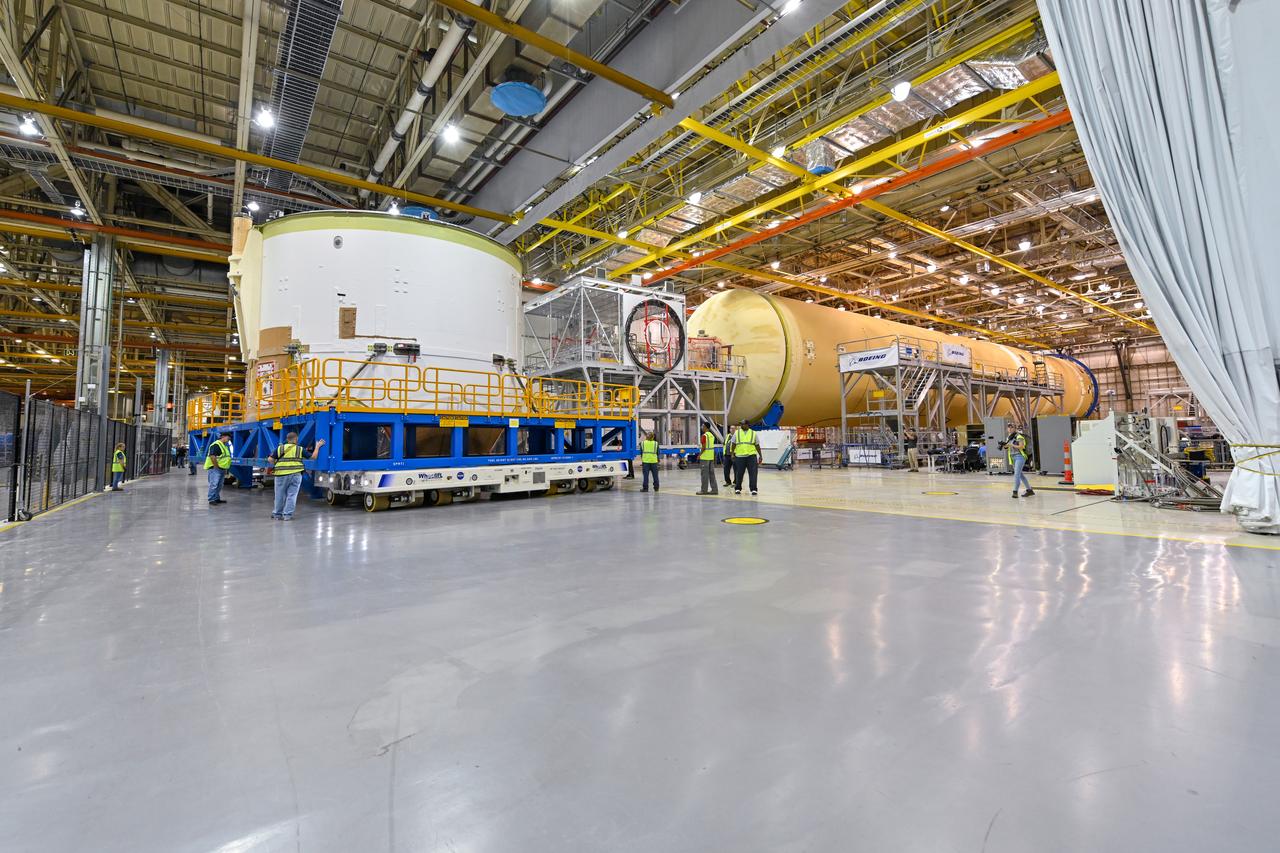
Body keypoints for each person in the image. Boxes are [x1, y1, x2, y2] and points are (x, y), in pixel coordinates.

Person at [268, 432, 325, 521]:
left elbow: (270, 459)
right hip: (296, 475)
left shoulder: (280, 448)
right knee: (292, 495)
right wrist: (317, 446)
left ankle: (277, 515)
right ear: (296, 439)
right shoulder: (299, 449)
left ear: (287, 439)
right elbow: (313, 457)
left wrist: (278, 464)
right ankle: (287, 515)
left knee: (279, 494)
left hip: (281, 475)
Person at [731, 420, 763, 495]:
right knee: (739, 473)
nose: (741, 425)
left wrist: (760, 455)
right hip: (739, 456)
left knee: (753, 473)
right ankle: (738, 488)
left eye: (743, 424)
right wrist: (732, 454)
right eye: (741, 424)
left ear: (747, 425)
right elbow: (733, 444)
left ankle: (753, 489)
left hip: (751, 456)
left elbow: (757, 445)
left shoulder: (753, 433)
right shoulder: (737, 433)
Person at [1005, 423, 1034, 498]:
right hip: (1013, 457)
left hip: (1020, 456)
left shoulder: (1019, 436)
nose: (1010, 429)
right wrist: (1004, 446)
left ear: (1015, 428)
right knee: (1020, 475)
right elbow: (1008, 447)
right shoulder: (1008, 437)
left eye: (1012, 427)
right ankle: (1029, 490)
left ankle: (1015, 492)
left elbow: (1021, 446)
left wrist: (1011, 445)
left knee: (1016, 474)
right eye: (1009, 427)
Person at [205, 433, 232, 505]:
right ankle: (211, 499)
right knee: (214, 484)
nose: (229, 440)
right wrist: (216, 466)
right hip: (215, 468)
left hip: (222, 468)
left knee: (219, 485)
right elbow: (212, 456)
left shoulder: (224, 446)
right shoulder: (216, 444)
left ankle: (216, 498)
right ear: (223, 437)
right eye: (228, 438)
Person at [695, 422, 719, 495]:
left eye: (702, 426)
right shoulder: (712, 435)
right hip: (711, 457)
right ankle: (714, 490)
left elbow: (704, 447)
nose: (702, 427)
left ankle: (704, 490)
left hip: (705, 457)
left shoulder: (704, 436)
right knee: (712, 474)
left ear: (706, 427)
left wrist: (699, 455)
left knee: (704, 474)